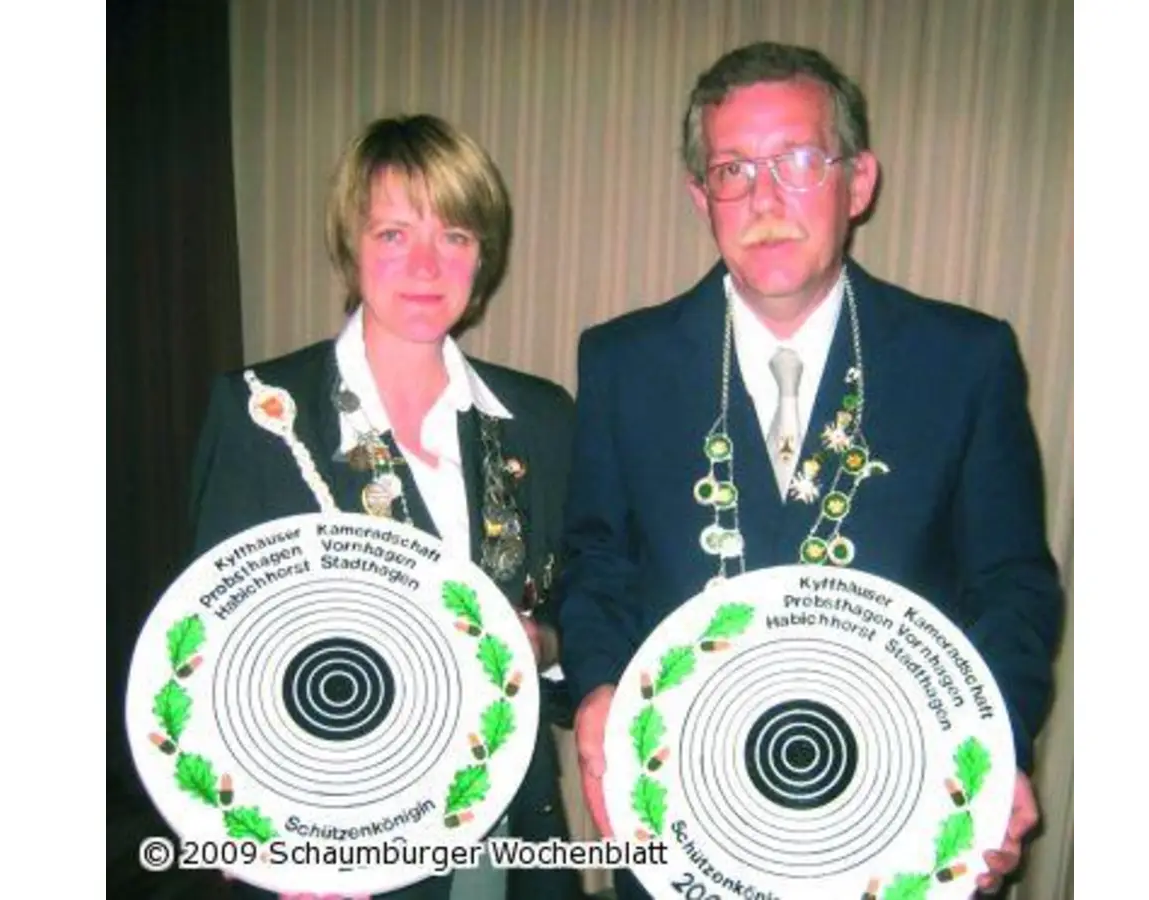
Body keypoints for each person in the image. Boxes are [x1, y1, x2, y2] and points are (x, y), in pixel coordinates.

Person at [558, 41, 1064, 899]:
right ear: (699, 196)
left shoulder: (965, 359)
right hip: (688, 814)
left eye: (798, 160)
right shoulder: (622, 360)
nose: (764, 199)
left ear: (857, 181)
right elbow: (597, 564)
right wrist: (602, 687)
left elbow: (1011, 585)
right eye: (732, 169)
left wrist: (991, 750)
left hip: (895, 814)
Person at [187, 114, 585, 900]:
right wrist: (259, 837)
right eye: (395, 233)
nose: (428, 265)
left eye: (457, 236)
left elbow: (579, 609)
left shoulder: (541, 417)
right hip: (335, 843)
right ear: (351, 244)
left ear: (483, 255)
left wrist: (540, 644)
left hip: (505, 825)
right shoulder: (263, 414)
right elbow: (210, 652)